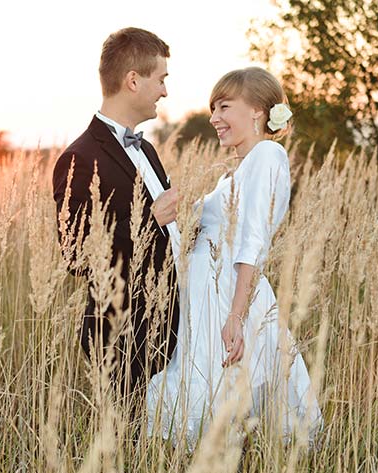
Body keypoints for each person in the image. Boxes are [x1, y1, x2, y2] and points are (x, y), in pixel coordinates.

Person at [146, 67, 323, 447]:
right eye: (213, 108)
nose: (214, 118)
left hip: (228, 296)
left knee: (219, 399)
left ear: (258, 111)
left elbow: (254, 240)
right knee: (214, 400)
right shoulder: (236, 172)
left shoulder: (267, 154)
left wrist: (236, 315)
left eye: (224, 106)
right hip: (211, 296)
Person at [52, 27, 180, 404]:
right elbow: (77, 254)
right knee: (129, 450)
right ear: (133, 81)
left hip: (165, 330)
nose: (165, 91)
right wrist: (148, 221)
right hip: (122, 336)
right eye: (161, 80)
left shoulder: (148, 151)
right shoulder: (79, 157)